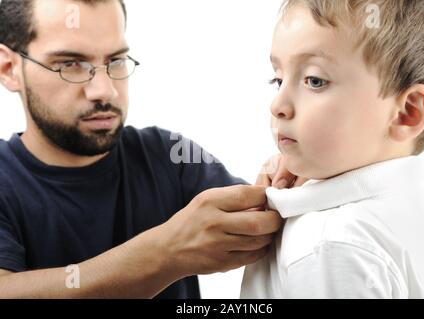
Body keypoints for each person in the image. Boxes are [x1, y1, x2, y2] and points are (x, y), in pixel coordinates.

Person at [0, 0, 291, 298]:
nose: (105, 90)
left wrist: (289, 177)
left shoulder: (167, 154)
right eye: (70, 64)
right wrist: (166, 253)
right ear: (9, 68)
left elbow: (272, 224)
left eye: (115, 61)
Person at [241, 0, 424, 298]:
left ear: (407, 113)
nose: (277, 106)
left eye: (314, 81)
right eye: (278, 79)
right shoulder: (410, 204)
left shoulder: (330, 243)